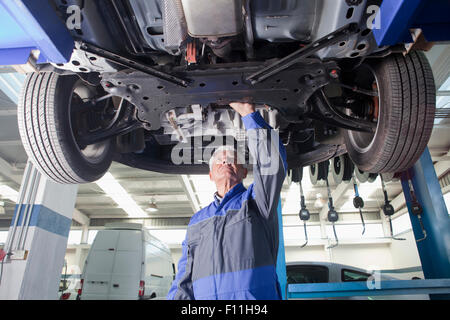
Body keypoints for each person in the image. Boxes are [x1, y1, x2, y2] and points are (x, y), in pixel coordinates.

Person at [167, 102, 287, 300]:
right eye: (218, 160)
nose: (224, 160)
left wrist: (249, 115)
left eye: (232, 158)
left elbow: (271, 168)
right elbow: (183, 279)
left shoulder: (256, 202)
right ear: (211, 175)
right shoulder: (197, 221)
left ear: (243, 171)